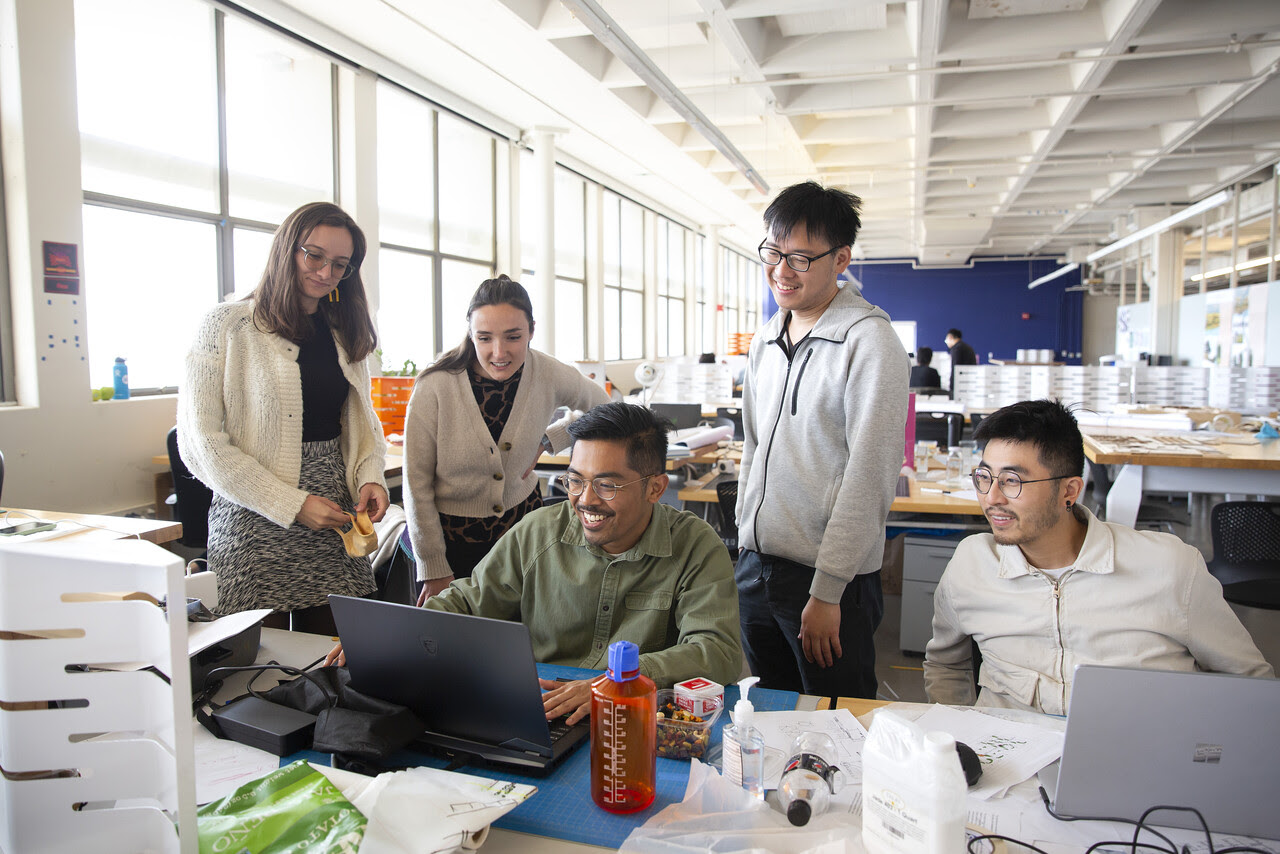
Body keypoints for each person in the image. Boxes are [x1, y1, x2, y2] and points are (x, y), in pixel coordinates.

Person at [327, 403, 742, 724]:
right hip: (541, 710)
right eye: (575, 480)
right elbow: (468, 601)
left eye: (607, 485)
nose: (585, 499)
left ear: (655, 488)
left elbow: (716, 651)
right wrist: (388, 637)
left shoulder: (695, 546)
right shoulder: (540, 532)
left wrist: (619, 681)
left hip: (635, 718)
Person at [923, 399, 1273, 715]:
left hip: (1135, 767)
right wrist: (960, 740)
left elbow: (1249, 683)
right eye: (984, 477)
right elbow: (945, 665)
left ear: (1069, 491)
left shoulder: (1170, 569)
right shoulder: (971, 564)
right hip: (1009, 770)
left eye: (1012, 480)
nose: (991, 497)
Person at [179, 202, 389, 634]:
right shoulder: (227, 325)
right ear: (286, 249)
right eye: (314, 255)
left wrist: (370, 475)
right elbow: (201, 443)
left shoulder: (342, 329)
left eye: (340, 265)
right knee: (255, 668)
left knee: (340, 661)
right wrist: (292, 505)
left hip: (334, 516)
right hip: (253, 515)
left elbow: (362, 424)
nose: (325, 273)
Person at [735, 181, 910, 701]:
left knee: (837, 721)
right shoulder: (767, 337)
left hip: (827, 581)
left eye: (800, 258)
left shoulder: (869, 341)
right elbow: (752, 445)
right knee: (769, 714)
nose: (781, 271)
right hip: (757, 566)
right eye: (772, 252)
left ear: (841, 259)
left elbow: (871, 475)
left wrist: (829, 589)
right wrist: (745, 543)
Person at [403, 275, 608, 603]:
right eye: (484, 338)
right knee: (449, 646)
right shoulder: (435, 386)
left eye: (513, 337)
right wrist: (433, 566)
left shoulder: (548, 372)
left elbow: (604, 407)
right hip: (448, 547)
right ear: (470, 333)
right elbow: (415, 484)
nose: (499, 352)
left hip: (523, 539)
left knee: (519, 643)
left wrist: (550, 438)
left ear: (531, 330)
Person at [944, 328, 977, 397]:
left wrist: (951, 387)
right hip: (970, 383)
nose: (946, 341)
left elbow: (955, 368)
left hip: (960, 385)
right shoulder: (967, 347)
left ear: (950, 337)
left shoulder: (956, 348)